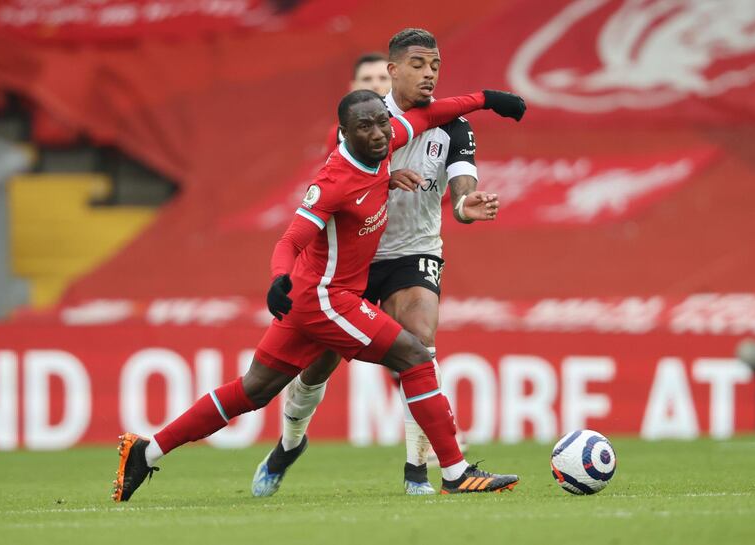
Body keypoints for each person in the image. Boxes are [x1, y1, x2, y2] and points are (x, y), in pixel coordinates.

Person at [113, 87, 526, 502]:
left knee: (253, 390)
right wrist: (278, 279)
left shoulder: (387, 140)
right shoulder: (333, 183)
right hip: (327, 297)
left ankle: (147, 452)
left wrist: (488, 99)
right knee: (415, 356)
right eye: (365, 127)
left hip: (316, 299)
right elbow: (290, 241)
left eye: (382, 122)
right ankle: (455, 472)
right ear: (344, 133)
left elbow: (434, 113)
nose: (379, 133)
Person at [253, 28, 505, 497]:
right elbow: (344, 188)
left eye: (434, 66)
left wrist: (465, 206)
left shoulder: (454, 124)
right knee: (318, 367)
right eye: (418, 65)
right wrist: (388, 179)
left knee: (420, 343)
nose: (429, 74)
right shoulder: (365, 124)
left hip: (416, 250)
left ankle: (417, 471)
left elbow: (461, 188)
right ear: (390, 74)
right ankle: (289, 443)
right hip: (355, 259)